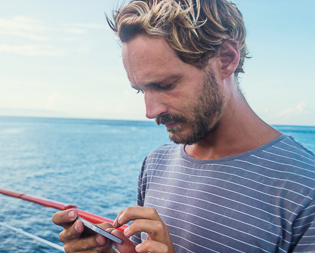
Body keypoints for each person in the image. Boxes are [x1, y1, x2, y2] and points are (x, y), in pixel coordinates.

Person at [52, 0, 315, 252]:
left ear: (226, 58)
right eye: (140, 90)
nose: (150, 111)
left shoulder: (305, 188)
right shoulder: (155, 164)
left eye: (165, 85)